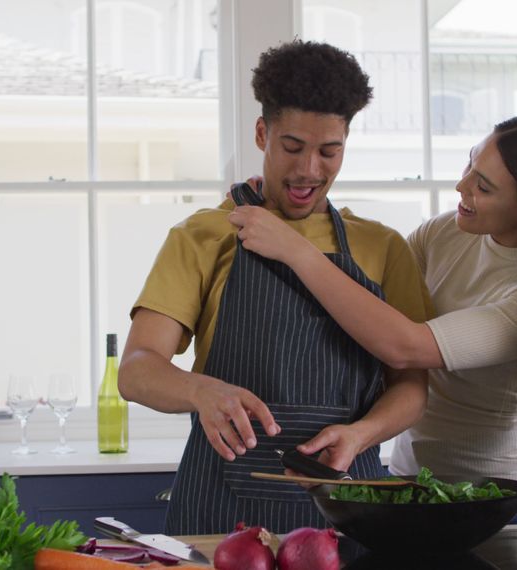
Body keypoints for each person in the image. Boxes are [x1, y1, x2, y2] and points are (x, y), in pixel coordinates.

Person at [119, 40, 434, 535]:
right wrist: (201, 391)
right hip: (219, 515)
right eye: (292, 147)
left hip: (350, 509)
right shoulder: (203, 235)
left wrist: (362, 433)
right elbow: (137, 371)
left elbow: (412, 386)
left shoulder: (384, 248)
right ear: (263, 133)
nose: (310, 169)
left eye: (330, 151)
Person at [228, 113, 517, 523]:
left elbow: (406, 346)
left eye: (483, 186)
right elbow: (367, 293)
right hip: (411, 482)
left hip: (503, 502)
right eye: (469, 165)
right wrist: (296, 217)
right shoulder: (447, 233)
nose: (461, 187)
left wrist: (295, 250)